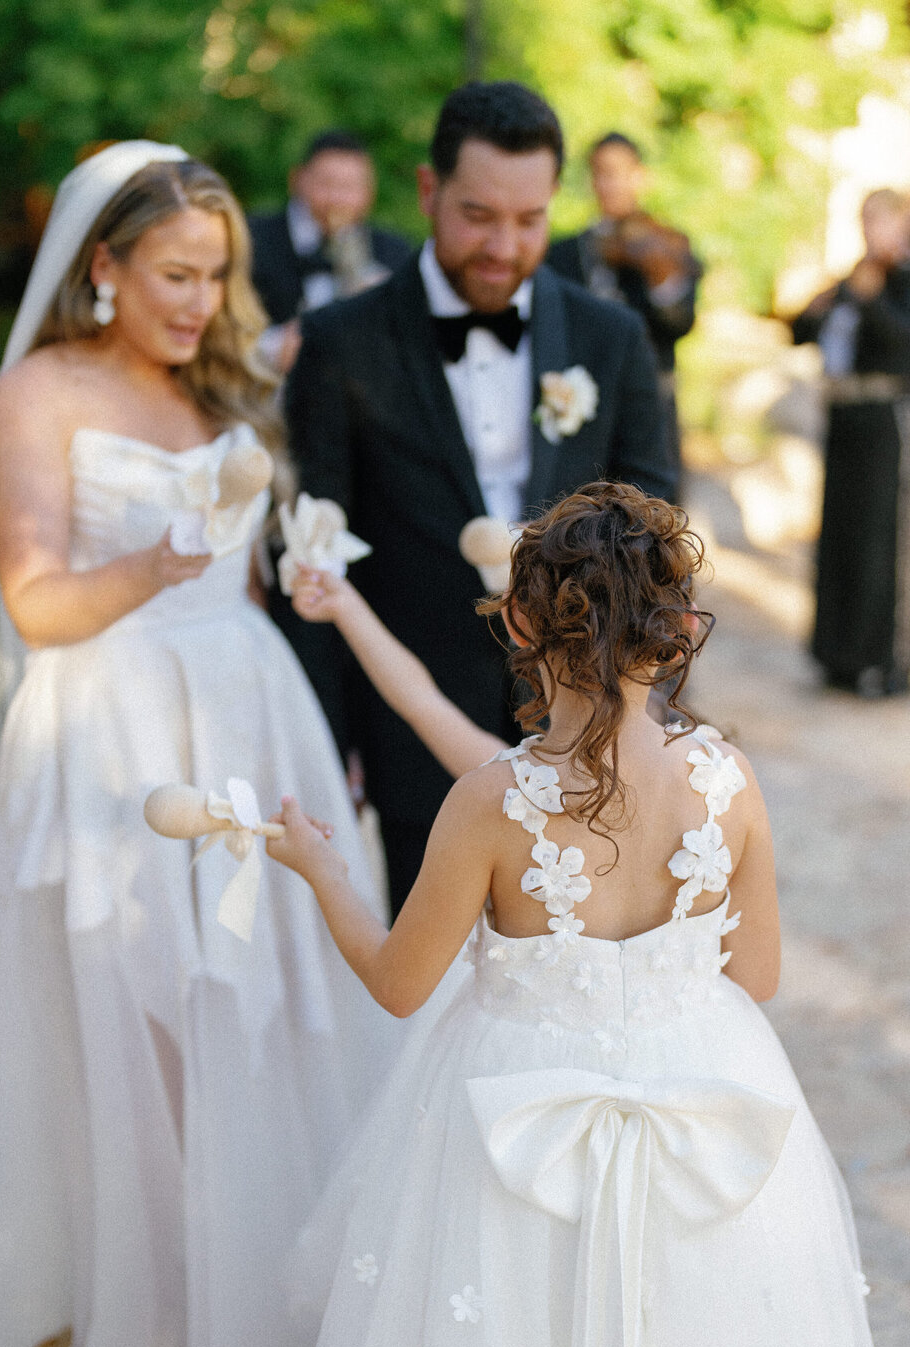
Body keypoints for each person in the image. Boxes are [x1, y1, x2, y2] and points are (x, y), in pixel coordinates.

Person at [265, 480, 910, 1347]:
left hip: (516, 1113)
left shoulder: (491, 803)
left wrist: (324, 870)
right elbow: (760, 974)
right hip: (706, 1098)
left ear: (523, 624)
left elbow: (399, 984)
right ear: (677, 632)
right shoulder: (727, 780)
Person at [0, 142, 398, 1347]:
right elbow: (37, 606)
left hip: (244, 710)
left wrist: (283, 589)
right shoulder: (38, 392)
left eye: (217, 275)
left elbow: (238, 588)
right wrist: (161, 560)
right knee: (151, 1010)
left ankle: (262, 1286)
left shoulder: (213, 387)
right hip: (117, 733)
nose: (199, 302)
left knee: (265, 997)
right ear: (103, 265)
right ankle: (171, 1318)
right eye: (175, 274)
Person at [272, 82, 676, 916]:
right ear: (428, 191)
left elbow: (655, 526)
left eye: (530, 221)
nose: (504, 245)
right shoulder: (342, 343)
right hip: (410, 715)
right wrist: (328, 739)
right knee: (433, 987)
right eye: (478, 216)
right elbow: (313, 547)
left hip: (587, 710)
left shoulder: (612, 337)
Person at [792, 189, 910, 697]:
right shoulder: (854, 276)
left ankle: (888, 660)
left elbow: (905, 338)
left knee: (884, 539)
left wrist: (871, 298)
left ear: (901, 227)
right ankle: (838, 654)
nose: (871, 234)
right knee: (840, 536)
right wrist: (819, 304)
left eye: (880, 223)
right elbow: (802, 331)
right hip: (844, 415)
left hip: (886, 415)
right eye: (865, 223)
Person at [548, 133, 702, 474]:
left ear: (639, 176)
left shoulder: (667, 244)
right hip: (582, 414)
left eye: (618, 172)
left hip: (652, 410)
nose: (609, 184)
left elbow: (680, 323)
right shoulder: (564, 253)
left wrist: (659, 274)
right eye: (600, 173)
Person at [248, 130, 413, 374]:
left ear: (369, 192)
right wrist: (275, 345)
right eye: (326, 184)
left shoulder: (395, 253)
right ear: (297, 180)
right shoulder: (252, 239)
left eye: (349, 187)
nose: (338, 199)